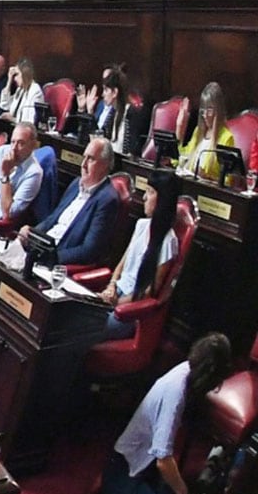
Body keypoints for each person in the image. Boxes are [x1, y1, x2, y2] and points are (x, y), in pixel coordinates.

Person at [84, 334, 236, 494]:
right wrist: (182, 491)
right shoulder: (176, 392)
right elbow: (164, 461)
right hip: (123, 472)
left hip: (142, 469)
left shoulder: (186, 369)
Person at [97, 169, 182, 342]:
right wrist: (111, 287)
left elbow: (150, 291)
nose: (144, 197)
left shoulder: (168, 241)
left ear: (163, 200)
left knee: (85, 329)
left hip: (130, 310)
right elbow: (122, 264)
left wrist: (118, 303)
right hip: (115, 294)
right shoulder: (141, 225)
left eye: (150, 192)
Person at [21, 137, 121, 266]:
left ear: (105, 164)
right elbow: (52, 219)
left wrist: (50, 258)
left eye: (90, 159)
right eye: (84, 157)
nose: (83, 164)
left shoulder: (107, 199)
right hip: (42, 249)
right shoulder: (76, 184)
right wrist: (31, 233)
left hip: (58, 259)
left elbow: (88, 250)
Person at [178, 81, 237, 181]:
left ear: (218, 111)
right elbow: (182, 159)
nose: (205, 115)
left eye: (209, 110)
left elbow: (229, 179)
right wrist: (179, 127)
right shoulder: (198, 132)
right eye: (203, 110)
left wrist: (210, 178)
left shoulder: (226, 138)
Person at [1, 58, 45, 125]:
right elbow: (5, 105)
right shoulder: (20, 90)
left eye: (17, 74)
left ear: (25, 74)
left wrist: (12, 119)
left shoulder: (35, 91)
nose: (15, 79)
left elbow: (31, 121)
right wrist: (9, 81)